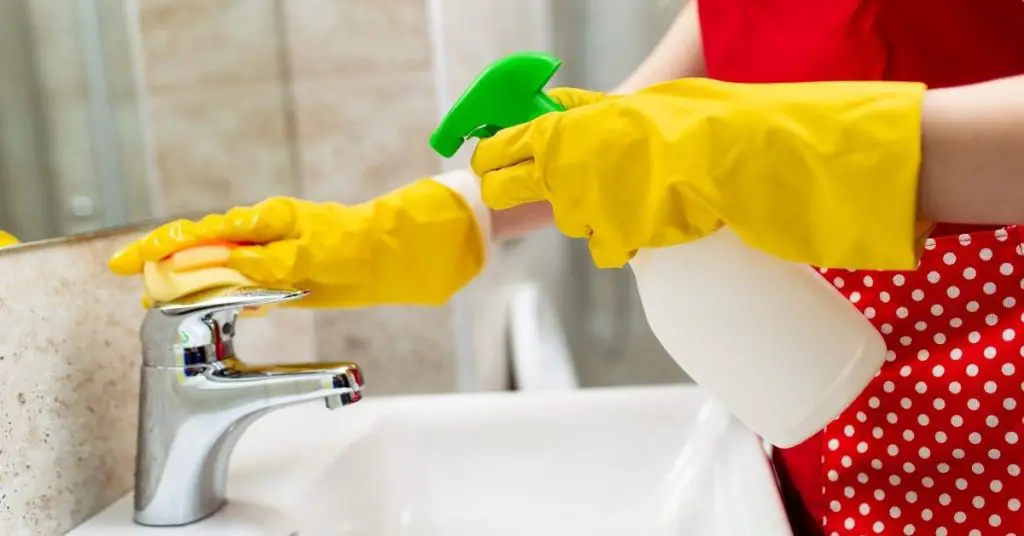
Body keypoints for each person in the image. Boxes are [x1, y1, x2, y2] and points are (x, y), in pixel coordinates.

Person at [109, 2, 1023, 534]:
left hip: (995, 401)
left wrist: (779, 153)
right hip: (813, 405)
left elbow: (708, 144)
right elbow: (620, 136)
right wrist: (423, 220)